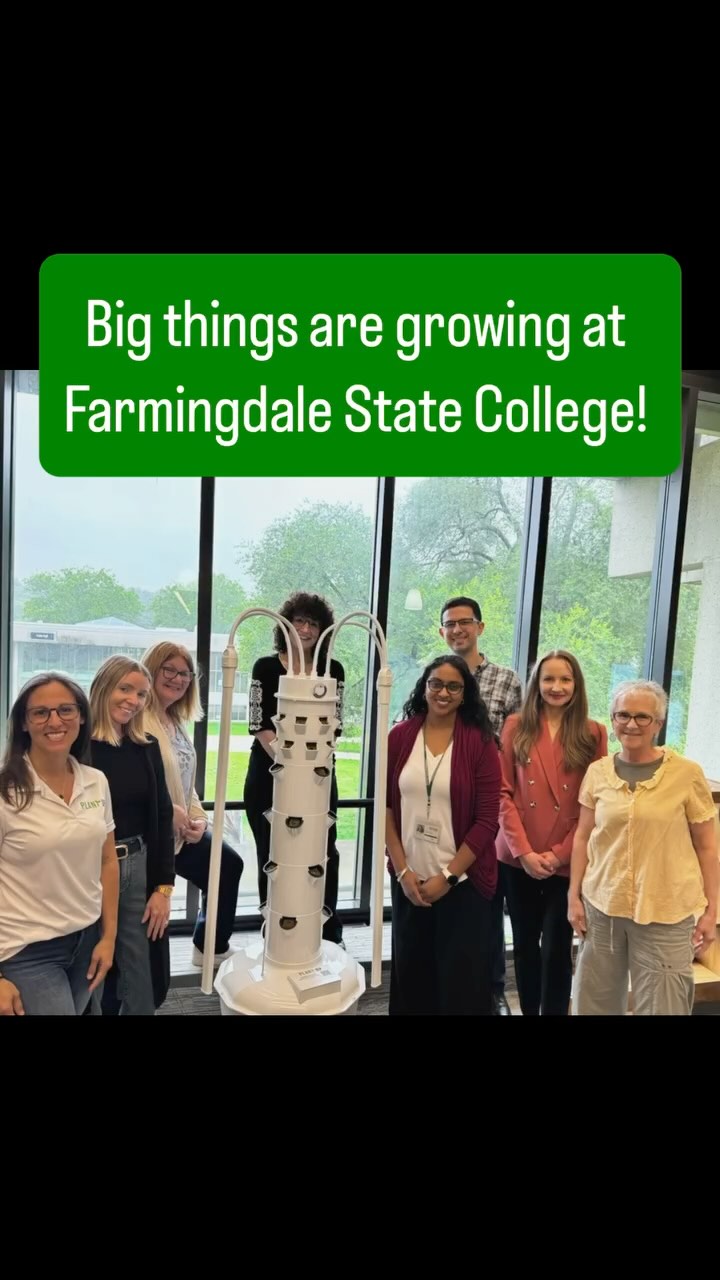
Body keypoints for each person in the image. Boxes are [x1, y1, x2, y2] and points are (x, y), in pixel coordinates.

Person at [568, 679, 719, 1016]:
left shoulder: (686, 774)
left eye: (642, 717)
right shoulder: (597, 773)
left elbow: (708, 847)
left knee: (663, 1005)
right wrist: (573, 896)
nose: (631, 724)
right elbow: (583, 837)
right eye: (623, 715)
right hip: (603, 906)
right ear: (612, 719)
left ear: (659, 724)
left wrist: (712, 912)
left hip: (665, 910)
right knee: (594, 1002)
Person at [386, 654, 501, 1015]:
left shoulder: (481, 743)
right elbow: (387, 810)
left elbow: (487, 821)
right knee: (411, 978)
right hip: (411, 881)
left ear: (465, 694)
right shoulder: (400, 737)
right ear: (424, 686)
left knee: (460, 987)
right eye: (436, 683)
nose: (443, 692)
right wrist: (403, 872)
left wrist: (449, 877)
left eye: (454, 686)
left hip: (462, 884)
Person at [0, 673, 118, 1016]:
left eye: (66, 710)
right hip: (25, 950)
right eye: (41, 713)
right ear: (24, 722)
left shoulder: (95, 782)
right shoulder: (6, 792)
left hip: (86, 940)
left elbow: (108, 861)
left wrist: (108, 938)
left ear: (81, 716)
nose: (55, 721)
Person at [497, 650, 607, 1016]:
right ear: (536, 684)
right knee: (525, 945)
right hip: (519, 856)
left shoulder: (594, 733)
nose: (556, 687)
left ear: (577, 685)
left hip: (568, 857)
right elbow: (503, 792)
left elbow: (593, 802)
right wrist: (525, 852)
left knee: (558, 947)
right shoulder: (515, 725)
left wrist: (559, 853)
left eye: (565, 679)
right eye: (549, 679)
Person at [244, 592, 345, 944]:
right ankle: (275, 931)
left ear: (323, 630)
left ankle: (327, 932)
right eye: (298, 621)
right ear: (285, 626)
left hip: (318, 776)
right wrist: (290, 764)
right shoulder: (265, 667)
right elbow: (259, 724)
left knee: (324, 850)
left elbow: (336, 724)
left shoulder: (333, 669)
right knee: (272, 854)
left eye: (312, 623)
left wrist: (306, 768)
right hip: (269, 777)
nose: (304, 628)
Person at [440, 595, 522, 1015]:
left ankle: (492, 990)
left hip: (486, 800)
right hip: (442, 803)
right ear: (442, 632)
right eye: (450, 624)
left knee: (487, 896)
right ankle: (451, 980)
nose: (458, 630)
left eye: (465, 622)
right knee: (448, 889)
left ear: (480, 627)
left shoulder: (506, 680)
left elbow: (517, 745)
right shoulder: (439, 676)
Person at [142, 641, 243, 968]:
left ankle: (209, 944)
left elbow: (186, 783)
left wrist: (200, 820)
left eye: (185, 673)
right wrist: (170, 812)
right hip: (155, 835)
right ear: (152, 671)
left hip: (183, 831)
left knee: (228, 865)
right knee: (223, 868)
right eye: (168, 670)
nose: (177, 678)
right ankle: (203, 948)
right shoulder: (139, 721)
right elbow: (137, 782)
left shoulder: (174, 720)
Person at [89, 656, 175, 1015]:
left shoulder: (146, 745)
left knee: (140, 971)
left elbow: (162, 815)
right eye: (125, 689)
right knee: (88, 964)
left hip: (136, 865)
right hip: (87, 869)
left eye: (141, 694)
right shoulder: (78, 747)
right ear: (103, 688)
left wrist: (163, 888)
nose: (133, 700)